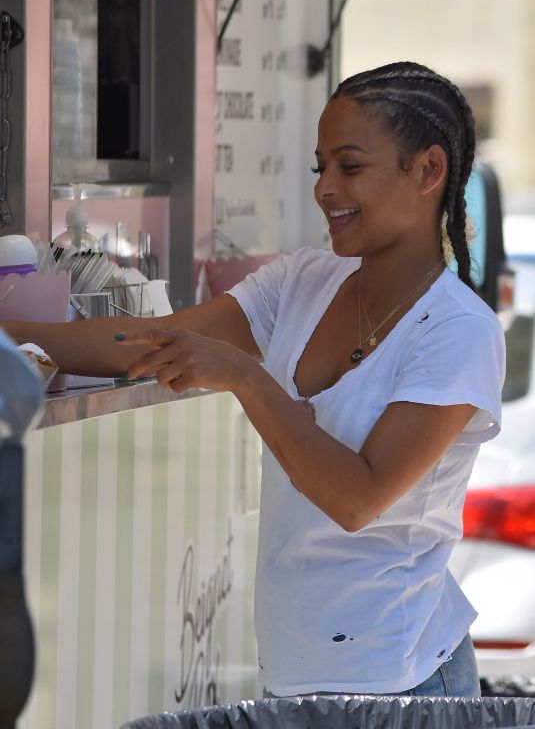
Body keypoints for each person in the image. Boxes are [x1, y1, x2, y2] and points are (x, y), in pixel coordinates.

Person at [4, 61, 505, 698]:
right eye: (319, 167)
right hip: (299, 676)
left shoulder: (459, 330)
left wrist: (247, 376)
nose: (325, 188)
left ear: (428, 171)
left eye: (349, 167)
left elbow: (357, 499)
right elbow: (146, 342)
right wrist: (8, 330)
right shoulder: (302, 281)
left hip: (400, 684)